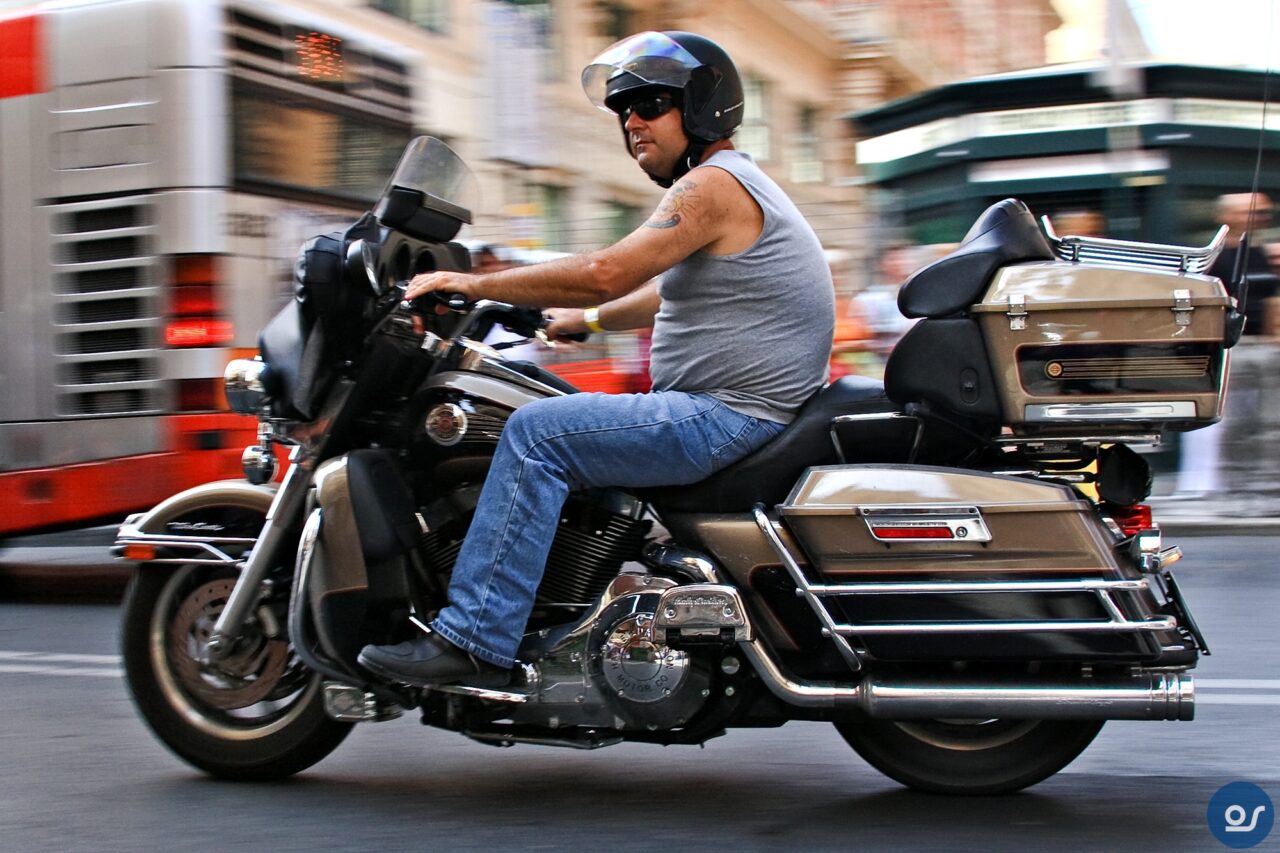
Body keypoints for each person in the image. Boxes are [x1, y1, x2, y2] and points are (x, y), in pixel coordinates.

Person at [357, 31, 835, 685]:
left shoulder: (710, 186)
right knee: (544, 397)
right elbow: (666, 294)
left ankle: (476, 639)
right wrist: (579, 322)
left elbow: (604, 272)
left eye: (651, 104)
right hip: (739, 410)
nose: (632, 121)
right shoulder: (735, 186)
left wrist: (471, 284)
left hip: (725, 414)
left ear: (703, 108)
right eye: (624, 110)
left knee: (533, 435)